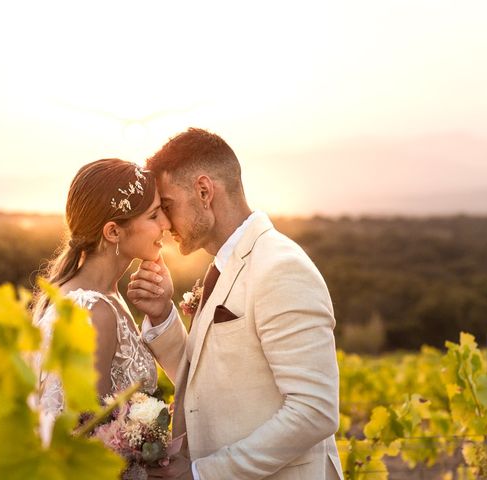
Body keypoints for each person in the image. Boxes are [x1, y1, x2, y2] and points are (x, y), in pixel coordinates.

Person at [127, 128, 343, 479]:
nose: (164, 223)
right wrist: (163, 312)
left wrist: (202, 474)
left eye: (167, 206)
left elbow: (314, 410)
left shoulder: (280, 267)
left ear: (204, 191)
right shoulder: (223, 265)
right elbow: (205, 377)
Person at [31, 158, 172, 445]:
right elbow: (94, 440)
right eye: (155, 215)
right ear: (113, 232)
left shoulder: (102, 295)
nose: (166, 224)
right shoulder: (95, 312)